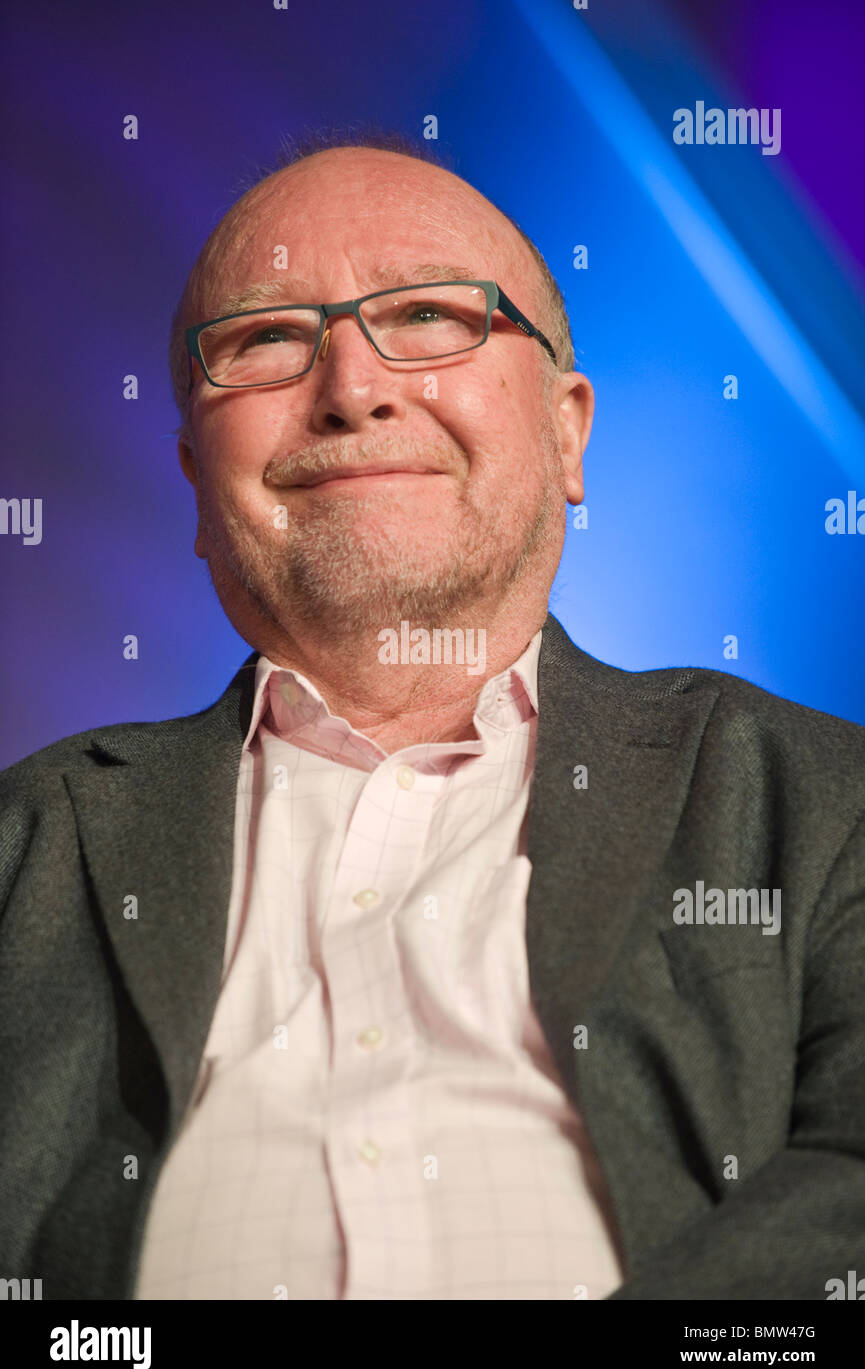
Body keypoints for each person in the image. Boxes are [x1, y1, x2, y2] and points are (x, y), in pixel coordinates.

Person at [1, 133, 863, 1302]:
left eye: (426, 317)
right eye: (264, 341)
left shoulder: (819, 800)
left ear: (566, 430)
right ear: (198, 485)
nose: (352, 388)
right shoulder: (27, 842)